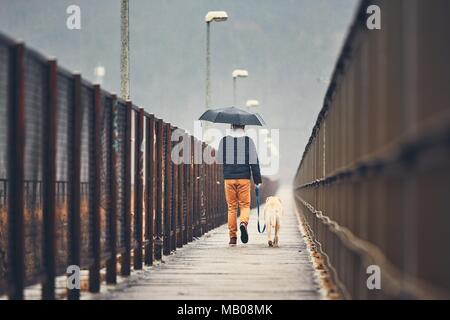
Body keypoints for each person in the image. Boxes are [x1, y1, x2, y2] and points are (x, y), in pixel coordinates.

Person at [217, 124, 262, 246]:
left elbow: (219, 159)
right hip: (244, 179)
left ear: (231, 126)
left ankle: (232, 237)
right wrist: (257, 180)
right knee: (245, 206)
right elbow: (254, 162)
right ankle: (243, 223)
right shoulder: (248, 141)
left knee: (231, 207)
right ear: (244, 127)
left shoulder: (224, 141)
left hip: (229, 179)